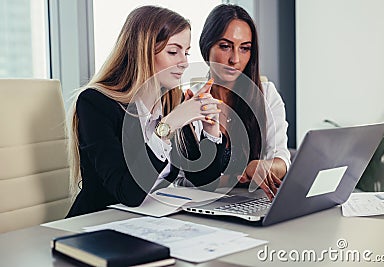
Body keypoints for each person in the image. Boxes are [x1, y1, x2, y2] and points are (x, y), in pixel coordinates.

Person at [66, 6, 225, 217]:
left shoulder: (171, 100)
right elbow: (128, 193)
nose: (185, 63)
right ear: (143, 52)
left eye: (186, 52)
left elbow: (205, 183)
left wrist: (210, 131)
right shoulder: (96, 103)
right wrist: (166, 127)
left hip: (153, 222)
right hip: (99, 223)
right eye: (173, 51)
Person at [198, 4, 291, 200]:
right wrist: (239, 177)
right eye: (225, 46)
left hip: (254, 201)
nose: (235, 59)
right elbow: (183, 179)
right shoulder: (190, 100)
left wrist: (265, 166)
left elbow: (282, 160)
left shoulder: (267, 95)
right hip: (204, 206)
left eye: (245, 48)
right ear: (206, 46)